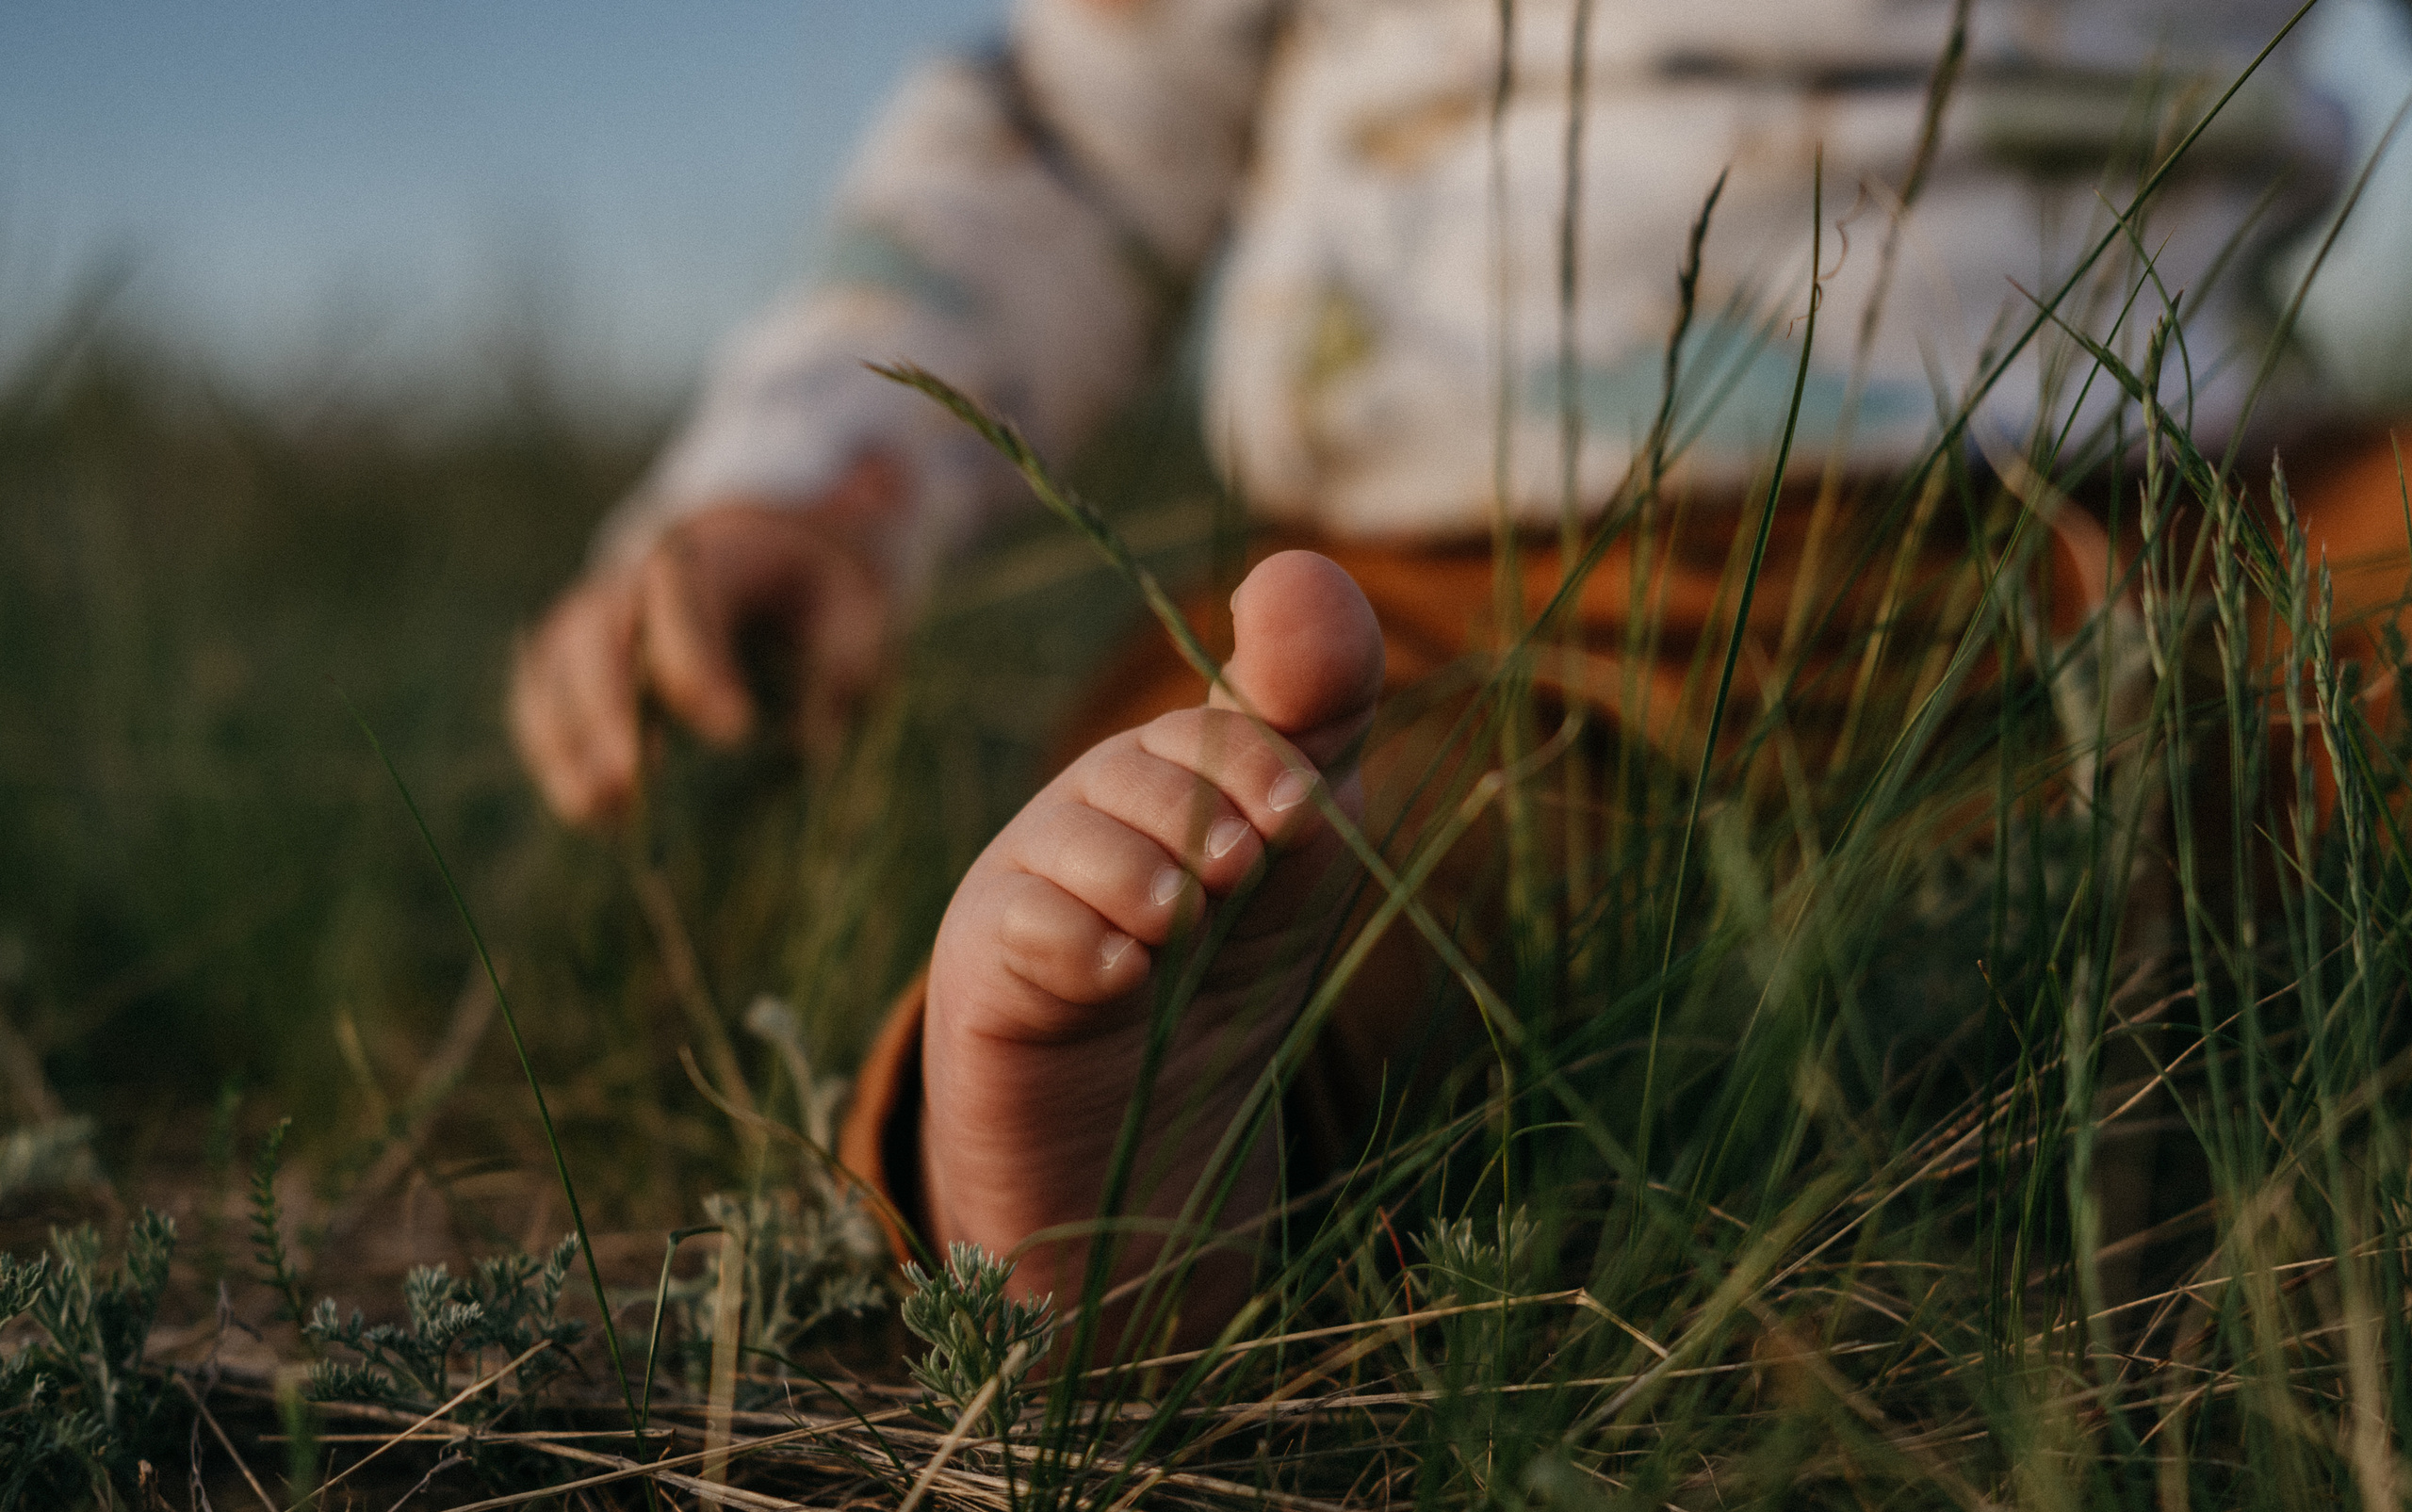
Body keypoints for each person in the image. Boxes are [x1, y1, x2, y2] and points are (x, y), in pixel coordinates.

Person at [511, 0, 2412, 1339]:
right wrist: (815, 481)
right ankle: (1151, 1160)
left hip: (2175, 545)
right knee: (1319, 823)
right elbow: (1076, 139)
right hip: (1497, 593)